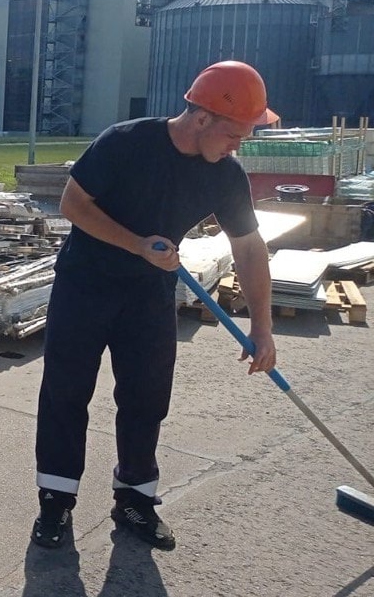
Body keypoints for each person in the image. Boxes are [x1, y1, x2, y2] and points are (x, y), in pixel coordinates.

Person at [30, 60, 279, 551]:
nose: (239, 145)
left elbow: (249, 248)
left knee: (146, 398)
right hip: (86, 285)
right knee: (65, 393)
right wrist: (138, 245)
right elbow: (73, 207)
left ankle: (136, 500)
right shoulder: (125, 142)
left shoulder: (226, 175)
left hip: (149, 295)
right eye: (236, 133)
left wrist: (264, 330)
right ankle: (55, 502)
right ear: (203, 117)